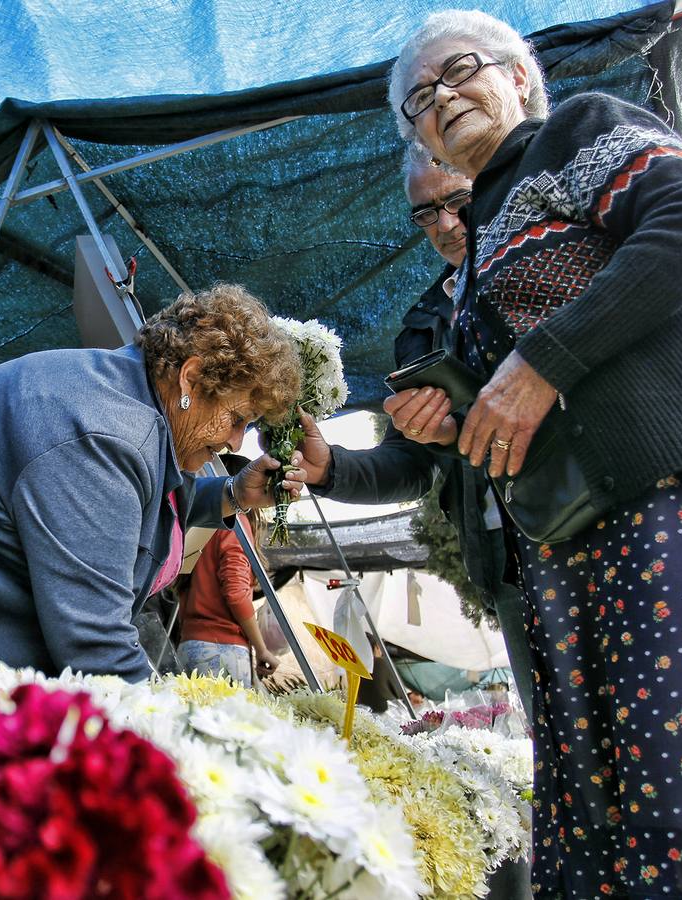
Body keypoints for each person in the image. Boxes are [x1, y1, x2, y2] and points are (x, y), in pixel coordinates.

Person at [372, 10, 682, 897]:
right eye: (420, 100)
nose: (442, 100)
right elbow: (531, 396)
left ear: (519, 77)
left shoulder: (577, 131)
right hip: (586, 538)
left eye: (460, 72)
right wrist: (463, 422)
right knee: (637, 783)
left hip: (675, 496)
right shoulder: (480, 241)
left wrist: (538, 363)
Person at [0, 284, 305, 681]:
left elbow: (143, 500)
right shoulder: (106, 435)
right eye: (237, 417)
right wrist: (172, 743)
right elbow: (94, 640)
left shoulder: (127, 399)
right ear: (190, 380)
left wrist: (232, 494)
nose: (238, 442)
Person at [297, 144, 533, 718]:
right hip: (505, 555)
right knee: (558, 731)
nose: (445, 225)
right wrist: (330, 467)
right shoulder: (423, 327)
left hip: (596, 522)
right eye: (425, 213)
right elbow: (412, 463)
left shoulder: (545, 273)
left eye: (458, 201)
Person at [177, 454, 282, 687]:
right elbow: (236, 593)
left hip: (190, 643)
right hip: (220, 651)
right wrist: (262, 648)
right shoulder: (235, 525)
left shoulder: (202, 519)